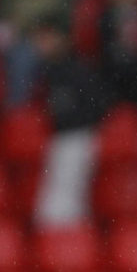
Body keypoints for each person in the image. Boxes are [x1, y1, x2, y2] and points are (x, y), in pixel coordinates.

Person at [29, 20, 110, 228]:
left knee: (62, 203)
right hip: (62, 138)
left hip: (78, 137)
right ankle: (66, 252)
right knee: (59, 202)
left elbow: (100, 105)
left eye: (46, 39)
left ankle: (69, 252)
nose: (41, 45)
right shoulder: (48, 70)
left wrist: (75, 122)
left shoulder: (78, 69)